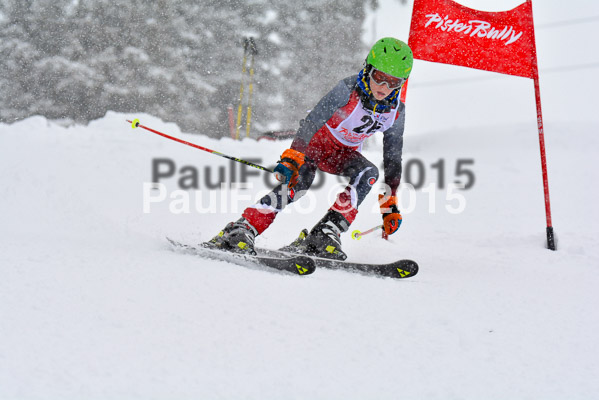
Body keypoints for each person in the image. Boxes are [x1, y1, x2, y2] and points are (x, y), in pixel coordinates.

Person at [209, 37, 413, 260]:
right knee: (300, 182)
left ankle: (325, 233)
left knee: (368, 173)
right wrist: (294, 155)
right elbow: (313, 120)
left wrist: (389, 202)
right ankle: (242, 228)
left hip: (341, 154)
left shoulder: (396, 112)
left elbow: (393, 156)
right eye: (380, 78)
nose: (384, 87)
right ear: (368, 70)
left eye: (393, 82)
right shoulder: (347, 89)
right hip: (315, 143)